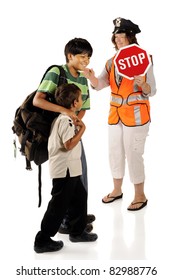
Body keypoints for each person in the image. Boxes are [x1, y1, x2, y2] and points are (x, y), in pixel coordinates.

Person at [83, 17, 157, 211]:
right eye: (116, 36)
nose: (118, 39)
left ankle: (140, 195)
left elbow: (153, 90)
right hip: (115, 116)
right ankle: (117, 190)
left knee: (133, 155)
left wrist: (144, 85)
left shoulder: (144, 59)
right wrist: (92, 78)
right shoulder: (111, 62)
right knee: (114, 153)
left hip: (136, 117)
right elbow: (100, 85)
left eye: (122, 36)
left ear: (131, 37)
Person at [33, 38, 95, 231]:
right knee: (66, 179)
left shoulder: (83, 78)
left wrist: (77, 122)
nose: (86, 61)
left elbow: (83, 107)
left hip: (73, 130)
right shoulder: (56, 72)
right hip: (58, 132)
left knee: (80, 175)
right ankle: (67, 221)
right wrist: (66, 111)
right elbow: (38, 100)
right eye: (82, 56)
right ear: (70, 56)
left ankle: (77, 215)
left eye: (89, 57)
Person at [34, 83, 98, 253]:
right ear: (74, 103)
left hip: (72, 169)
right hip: (65, 171)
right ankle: (42, 240)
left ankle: (77, 232)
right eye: (80, 98)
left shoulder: (64, 118)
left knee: (79, 197)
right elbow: (68, 145)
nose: (82, 100)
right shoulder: (65, 120)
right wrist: (82, 129)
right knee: (58, 205)